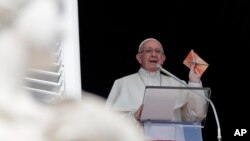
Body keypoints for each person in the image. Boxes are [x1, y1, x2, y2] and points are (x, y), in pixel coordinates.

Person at [105, 38, 207, 140]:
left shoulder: (177, 83)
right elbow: (108, 122)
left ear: (163, 59)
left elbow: (195, 117)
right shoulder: (122, 83)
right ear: (139, 58)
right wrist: (135, 116)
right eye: (148, 51)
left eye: (158, 51)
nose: (154, 54)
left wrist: (194, 81)